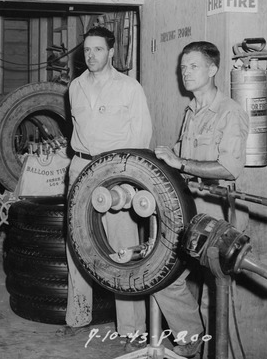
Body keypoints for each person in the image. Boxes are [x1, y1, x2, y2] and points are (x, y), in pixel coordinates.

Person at [153, 41, 249, 358]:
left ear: (212, 69)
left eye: (193, 66)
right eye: (183, 67)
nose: (186, 72)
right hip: (192, 215)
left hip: (220, 217)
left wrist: (181, 163)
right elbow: (183, 158)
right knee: (164, 278)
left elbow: (230, 168)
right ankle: (191, 339)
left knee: (213, 295)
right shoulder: (191, 111)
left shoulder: (229, 112)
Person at [60, 27, 152, 351]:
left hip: (116, 171)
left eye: (98, 50)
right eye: (87, 50)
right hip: (80, 167)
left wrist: (128, 177)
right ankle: (78, 317)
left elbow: (141, 138)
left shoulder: (129, 88)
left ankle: (132, 329)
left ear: (111, 52)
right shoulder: (75, 87)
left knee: (123, 248)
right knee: (78, 245)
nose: (91, 56)